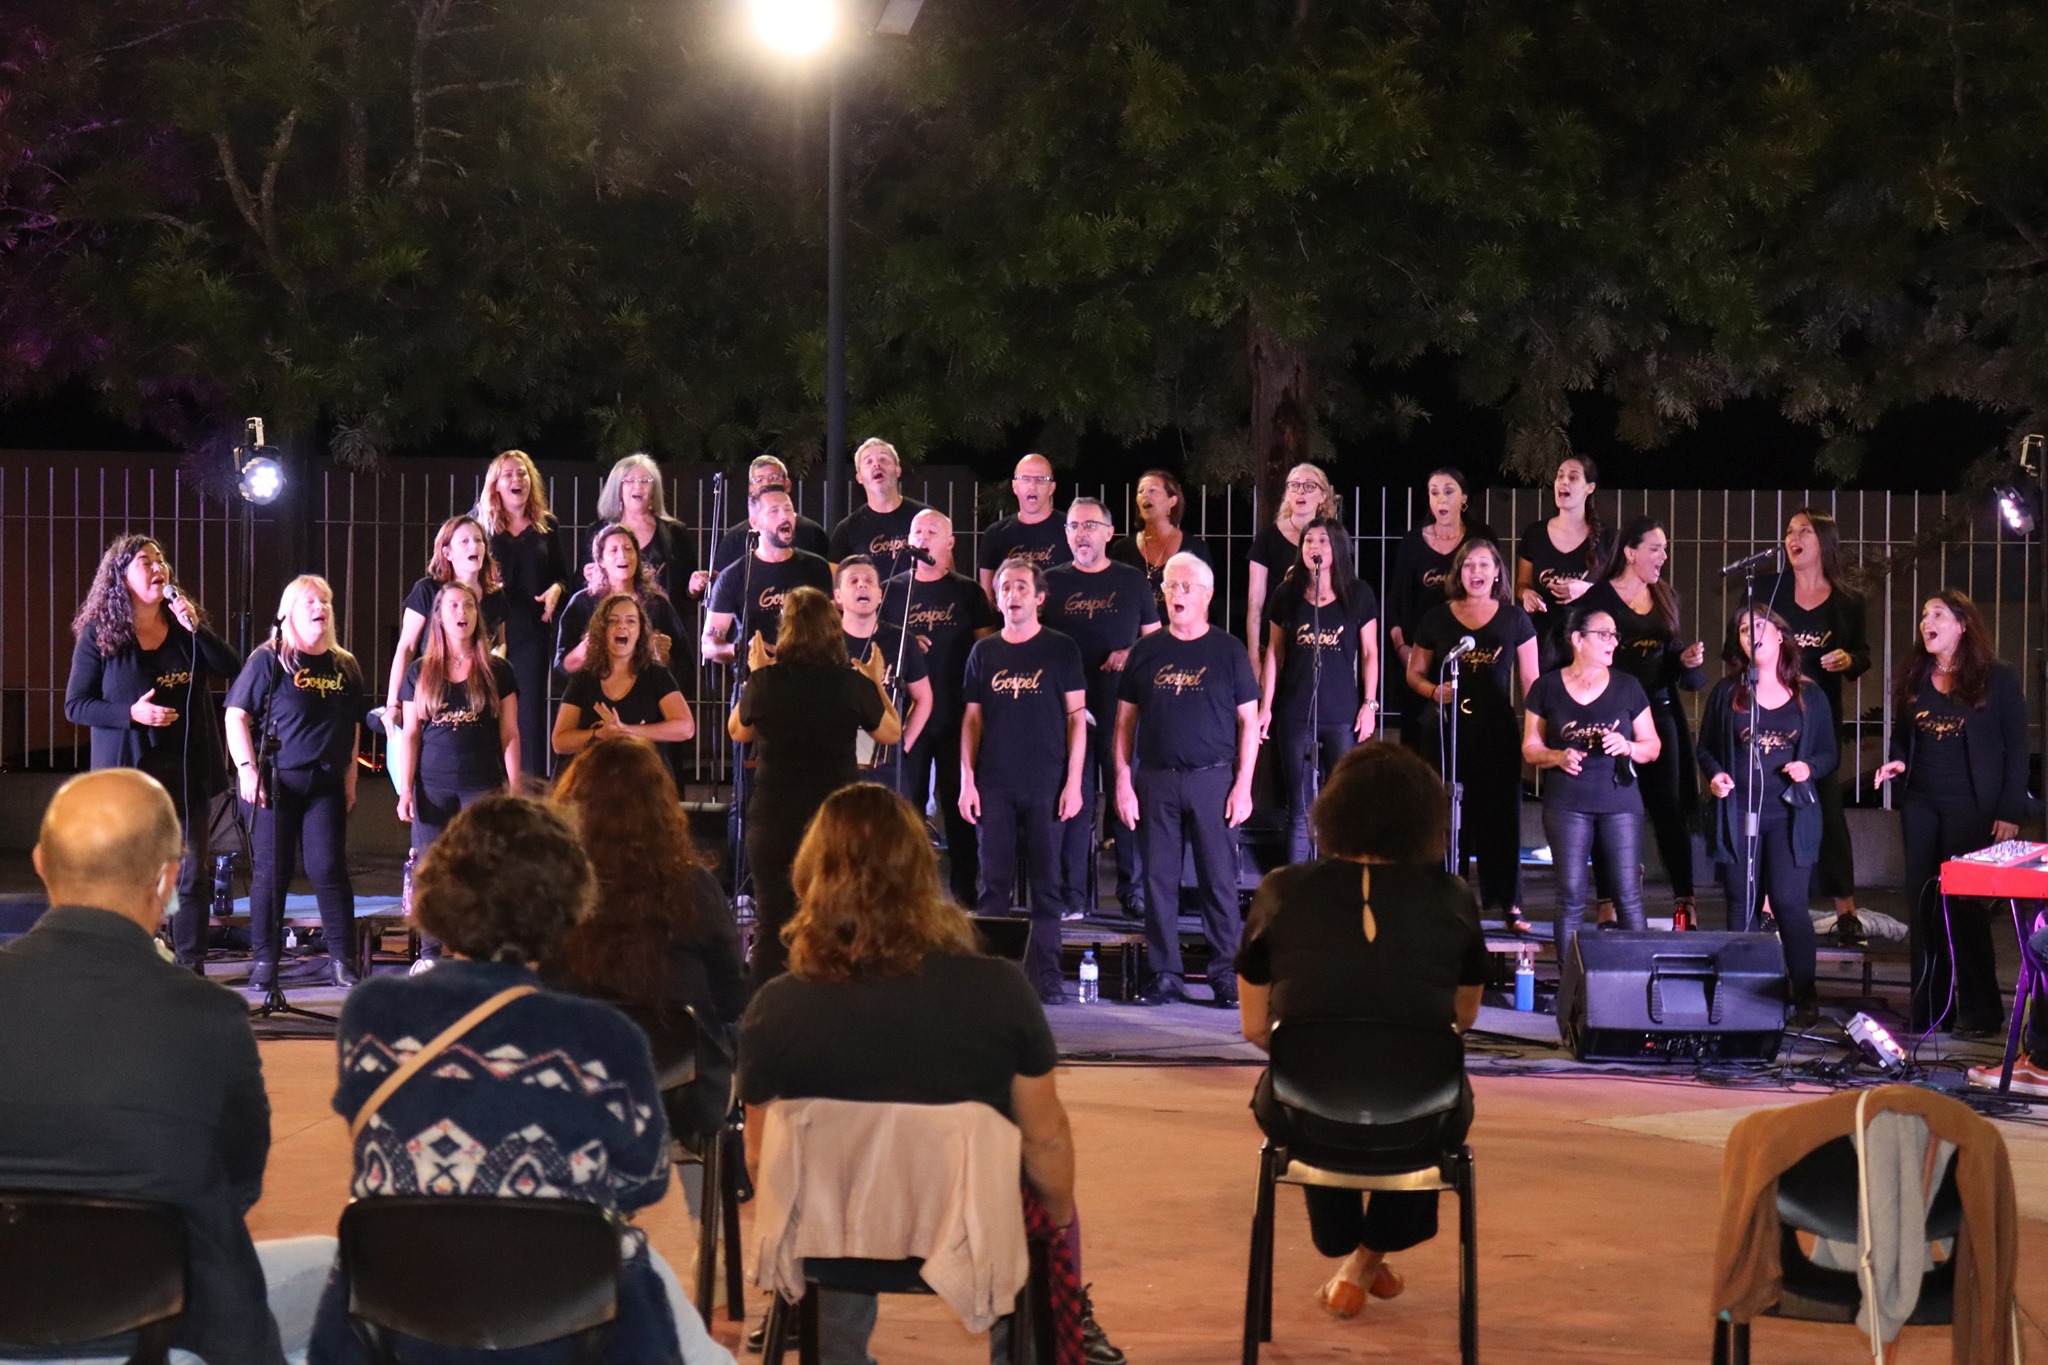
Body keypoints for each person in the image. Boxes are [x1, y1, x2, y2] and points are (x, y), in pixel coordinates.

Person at [308, 794, 734, 1365]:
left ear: (440, 888)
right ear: (565, 904)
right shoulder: (606, 1039)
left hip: (402, 1316)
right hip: (565, 1323)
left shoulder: (371, 1016)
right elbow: (646, 1181)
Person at [738, 783, 1120, 1365]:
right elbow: (1046, 1138)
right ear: (923, 871)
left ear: (810, 875)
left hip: (833, 1242)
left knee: (827, 1181)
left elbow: (765, 1160)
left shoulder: (777, 1006)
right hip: (971, 1225)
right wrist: (1059, 1231)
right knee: (1038, 1188)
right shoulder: (999, 990)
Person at [0, 769, 333, 1365]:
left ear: (41, 863)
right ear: (167, 878)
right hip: (168, 1329)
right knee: (334, 1264)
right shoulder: (209, 1015)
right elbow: (239, 1181)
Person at [1234, 743, 1486, 1321]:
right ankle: (1370, 1256)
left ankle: (1356, 1252)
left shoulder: (1279, 889)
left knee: (1310, 1090)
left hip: (1309, 1112)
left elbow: (1254, 1027)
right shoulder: (1453, 897)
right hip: (1421, 1112)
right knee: (1431, 1103)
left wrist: (1328, 1047)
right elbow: (1461, 1018)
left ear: (1333, 810)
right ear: (1425, 819)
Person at [547, 737, 745, 1155]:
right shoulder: (696, 888)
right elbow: (732, 1000)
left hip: (569, 1087)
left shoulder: (552, 892)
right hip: (682, 1098)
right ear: (663, 811)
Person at [64, 533, 242, 969]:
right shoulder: (101, 635)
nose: (158, 567)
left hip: (186, 770)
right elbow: (75, 704)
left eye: (161, 559)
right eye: (145, 561)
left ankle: (190, 972)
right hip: (128, 776)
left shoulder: (184, 630)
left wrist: (195, 625)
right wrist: (131, 714)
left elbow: (233, 668)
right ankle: (127, 967)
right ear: (121, 576)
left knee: (192, 876)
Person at [1873, 590, 2027, 1037]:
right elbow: (1903, 738)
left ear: (1962, 625)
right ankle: (1930, 1011)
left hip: (1972, 806)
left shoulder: (1997, 678)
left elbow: (2017, 748)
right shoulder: (1916, 677)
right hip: (1921, 803)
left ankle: (1980, 1012)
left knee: (1964, 908)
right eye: (1923, 615)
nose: (1926, 621)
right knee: (1924, 905)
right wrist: (1898, 762)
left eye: (1937, 614)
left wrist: (2008, 809)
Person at [728, 586, 900, 986]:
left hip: (774, 815)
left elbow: (738, 730)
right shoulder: (849, 683)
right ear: (833, 629)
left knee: (773, 925)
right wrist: (874, 681)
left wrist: (755, 677)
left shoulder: (767, 680)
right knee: (836, 919)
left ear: (786, 630)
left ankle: (765, 1022)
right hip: (834, 818)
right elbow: (891, 732)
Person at [1114, 553, 1261, 1008]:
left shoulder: (1229, 650)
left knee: (1218, 882)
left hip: (1213, 780)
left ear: (1207, 596)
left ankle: (1223, 975)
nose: (1176, 594)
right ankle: (1164, 974)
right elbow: (1124, 723)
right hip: (1156, 779)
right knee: (1158, 881)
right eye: (1171, 586)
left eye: (1185, 587)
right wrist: (1122, 780)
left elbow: (1249, 723)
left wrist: (1243, 786)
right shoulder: (1146, 651)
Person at [1733, 508, 1873, 937]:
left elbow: (1863, 656)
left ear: (1824, 542)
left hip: (1818, 718)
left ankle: (1846, 910)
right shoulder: (1770, 590)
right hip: (1770, 712)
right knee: (1770, 806)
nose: (1794, 538)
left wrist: (1847, 659)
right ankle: (1770, 905)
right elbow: (1737, 645)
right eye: (1790, 531)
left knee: (1825, 808)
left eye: (1805, 531)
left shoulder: (1847, 600)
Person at [224, 576, 369, 990]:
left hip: (325, 783)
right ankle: (266, 962)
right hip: (275, 783)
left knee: (329, 868)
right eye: (310, 600)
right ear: (288, 611)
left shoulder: (345, 665)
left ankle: (341, 961)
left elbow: (352, 726)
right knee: (273, 871)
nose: (320, 606)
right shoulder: (269, 660)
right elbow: (236, 715)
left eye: (325, 599)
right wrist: (247, 768)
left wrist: (351, 778)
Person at [961, 557, 1089, 1003]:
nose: (1011, 594)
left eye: (1020, 587)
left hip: (1047, 783)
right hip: (994, 782)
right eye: (1004, 588)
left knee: (1046, 886)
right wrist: (966, 780)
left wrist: (1074, 783)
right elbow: (971, 720)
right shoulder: (984, 652)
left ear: (1039, 597)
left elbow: (1077, 720)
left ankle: (1048, 978)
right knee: (991, 884)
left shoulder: (1061, 650)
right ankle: (992, 978)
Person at [1698, 606, 1836, 1022]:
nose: (1750, 634)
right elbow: (1705, 748)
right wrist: (1717, 775)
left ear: (1780, 636)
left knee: (1790, 902)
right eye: (1742, 629)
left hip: (1790, 817)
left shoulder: (1809, 694)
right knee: (1741, 902)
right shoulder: (1728, 693)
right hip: (1741, 813)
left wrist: (1808, 768)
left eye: (1758, 627)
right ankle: (1737, 988)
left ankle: (1804, 991)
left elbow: (1830, 752)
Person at [1521, 606, 1660, 1014]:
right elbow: (1529, 748)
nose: (1613, 642)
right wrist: (1556, 756)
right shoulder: (1546, 687)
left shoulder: (1629, 687)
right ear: (1577, 639)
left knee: (1627, 894)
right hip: (1567, 802)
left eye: (1616, 636)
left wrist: (1629, 747)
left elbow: (1652, 745)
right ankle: (1571, 988)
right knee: (1570, 896)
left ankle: (1642, 984)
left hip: (1619, 801)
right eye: (1604, 634)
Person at [1579, 516, 1708, 922]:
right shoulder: (1599, 597)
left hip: (1658, 711)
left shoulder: (1665, 595)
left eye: (1665, 548)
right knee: (1609, 805)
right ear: (1630, 552)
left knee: (1667, 806)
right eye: (1655, 548)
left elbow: (1667, 654)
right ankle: (1606, 903)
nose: (1663, 556)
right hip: (1611, 713)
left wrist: (1684, 659)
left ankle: (1685, 899)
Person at [1405, 538, 1538, 931]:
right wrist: (1434, 691)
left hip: (1496, 731)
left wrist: (1538, 732)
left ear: (1498, 572)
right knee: (1446, 817)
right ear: (1457, 574)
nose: (1476, 573)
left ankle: (1509, 904)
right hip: (1447, 733)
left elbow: (1532, 682)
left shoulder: (1515, 619)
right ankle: (1446, 898)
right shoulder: (1437, 619)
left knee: (1501, 817)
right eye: (1468, 566)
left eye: (1484, 565)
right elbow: (1414, 672)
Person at [1044, 497, 1161, 920]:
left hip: (1119, 707)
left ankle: (1133, 890)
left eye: (1090, 525)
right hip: (1064, 712)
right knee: (1070, 799)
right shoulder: (1049, 582)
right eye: (1073, 526)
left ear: (1109, 533)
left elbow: (1155, 642)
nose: (1080, 533)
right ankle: (1071, 894)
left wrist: (1130, 653)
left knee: (1124, 795)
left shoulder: (1132, 582)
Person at [883, 508, 998, 906]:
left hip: (954, 713)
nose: (924, 536)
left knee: (958, 805)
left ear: (949, 543)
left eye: (933, 531)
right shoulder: (893, 590)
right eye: (918, 530)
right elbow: (874, 646)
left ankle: (965, 891)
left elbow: (987, 649)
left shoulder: (967, 592)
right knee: (905, 805)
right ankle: (906, 893)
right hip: (907, 716)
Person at [1258, 518, 1380, 865]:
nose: (1314, 546)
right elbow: (1274, 652)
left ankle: (1339, 882)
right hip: (1295, 712)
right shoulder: (1287, 595)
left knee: (1341, 802)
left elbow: (1370, 652)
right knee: (1299, 808)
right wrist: (1266, 707)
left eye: (1323, 540)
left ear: (1337, 547)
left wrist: (1369, 702)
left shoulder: (1358, 594)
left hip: (1342, 713)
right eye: (1308, 540)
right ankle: (1299, 888)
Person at [392, 583, 520, 907]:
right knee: (432, 872)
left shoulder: (498, 671)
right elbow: (410, 735)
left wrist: (516, 788)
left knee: (484, 870)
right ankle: (432, 954)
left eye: (469, 605)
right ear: (439, 617)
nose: (462, 612)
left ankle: (480, 951)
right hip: (433, 789)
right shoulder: (419, 672)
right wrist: (406, 790)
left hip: (483, 785)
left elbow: (510, 734)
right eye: (453, 606)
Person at [477, 449, 569, 778]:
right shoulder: (482, 528)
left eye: (523, 473)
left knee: (528, 715)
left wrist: (556, 590)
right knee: (486, 708)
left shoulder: (548, 526)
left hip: (532, 631)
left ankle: (527, 790)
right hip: (487, 632)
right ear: (496, 485)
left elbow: (563, 576)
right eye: (509, 474)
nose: (517, 479)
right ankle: (489, 785)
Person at [552, 593, 696, 778]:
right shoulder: (583, 678)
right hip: (591, 780)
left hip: (643, 780)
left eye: (631, 621)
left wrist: (626, 732)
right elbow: (559, 741)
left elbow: (686, 728)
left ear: (640, 632)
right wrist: (600, 734)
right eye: (613, 621)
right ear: (601, 630)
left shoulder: (656, 674)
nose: (622, 626)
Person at [384, 513, 507, 717]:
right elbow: (406, 647)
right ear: (447, 552)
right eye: (465, 541)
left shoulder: (495, 595)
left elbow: (500, 642)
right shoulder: (427, 590)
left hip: (479, 695)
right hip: (434, 693)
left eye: (478, 540)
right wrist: (393, 704)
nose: (474, 546)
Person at [702, 487, 834, 663]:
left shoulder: (816, 567)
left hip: (807, 679)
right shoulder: (735, 575)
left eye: (788, 509)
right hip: (755, 681)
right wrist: (741, 649)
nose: (784, 516)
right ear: (755, 522)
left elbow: (833, 628)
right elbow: (709, 645)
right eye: (774, 511)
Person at [1385, 468, 1489, 680]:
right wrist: (1401, 647)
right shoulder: (1412, 542)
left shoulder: (1481, 538)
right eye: (1434, 492)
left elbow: (1495, 594)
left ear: (1464, 499)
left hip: (1467, 648)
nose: (1441, 499)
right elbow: (1394, 600)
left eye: (1449, 491)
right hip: (1419, 652)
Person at [836, 554, 932, 781]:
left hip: (885, 759)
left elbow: (924, 698)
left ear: (880, 595)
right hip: (838, 757)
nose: (862, 585)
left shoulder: (902, 641)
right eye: (853, 581)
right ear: (838, 596)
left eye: (870, 581)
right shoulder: (824, 641)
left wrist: (902, 746)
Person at [1515, 455, 1611, 672]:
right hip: (1542, 640)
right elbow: (1521, 584)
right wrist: (1527, 595)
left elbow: (1618, 592)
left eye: (1573, 477)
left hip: (1587, 640)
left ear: (1590, 488)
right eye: (1560, 476)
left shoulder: (1607, 537)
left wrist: (1586, 589)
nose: (1563, 481)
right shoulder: (1535, 533)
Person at [556, 522, 690, 675]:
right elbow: (562, 666)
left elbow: (685, 667)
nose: (623, 555)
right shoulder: (582, 602)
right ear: (600, 561)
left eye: (628, 549)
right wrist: (587, 647)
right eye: (613, 550)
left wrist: (664, 657)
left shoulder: (657, 604)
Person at [1246, 462, 1341, 676]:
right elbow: (1255, 604)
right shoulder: (1267, 539)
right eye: (1294, 485)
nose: (1300, 491)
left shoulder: (1335, 540)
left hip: (1319, 643)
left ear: (1323, 496)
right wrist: (1253, 655)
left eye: (1309, 486)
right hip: (1273, 643)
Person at [690, 455, 831, 598]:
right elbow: (718, 587)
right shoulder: (734, 538)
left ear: (787, 484)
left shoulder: (812, 533)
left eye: (773, 477)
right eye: (759, 480)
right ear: (751, 488)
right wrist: (699, 585)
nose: (767, 484)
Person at [584, 452, 697, 604]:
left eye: (645, 481)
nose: (638, 486)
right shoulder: (598, 532)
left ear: (653, 490)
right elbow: (580, 588)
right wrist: (587, 576)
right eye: (629, 480)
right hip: (613, 622)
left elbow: (689, 592)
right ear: (618, 488)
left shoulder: (675, 532)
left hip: (662, 623)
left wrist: (694, 588)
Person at [1109, 468, 1213, 618]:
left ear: (1172, 501)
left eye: (1153, 490)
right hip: (1134, 639)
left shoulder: (1195, 548)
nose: (1145, 495)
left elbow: (1203, 603)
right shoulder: (1122, 549)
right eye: (1141, 491)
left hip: (1178, 636)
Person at [827, 437, 931, 582]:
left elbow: (946, 571)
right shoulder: (847, 530)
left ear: (898, 470)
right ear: (859, 477)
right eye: (868, 461)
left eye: (884, 459)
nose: (876, 464)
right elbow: (836, 589)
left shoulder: (926, 518)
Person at [977, 452, 1071, 599]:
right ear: (1015, 486)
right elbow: (986, 597)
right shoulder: (995, 534)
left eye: (1041, 479)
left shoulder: (1071, 529)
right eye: (1025, 479)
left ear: (1052, 488)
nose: (1032, 486)